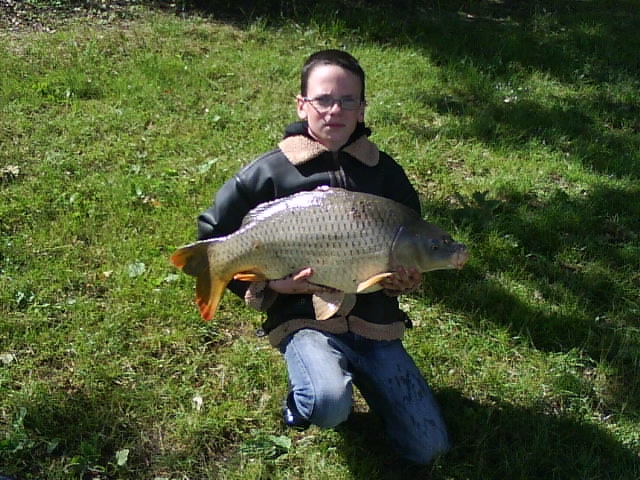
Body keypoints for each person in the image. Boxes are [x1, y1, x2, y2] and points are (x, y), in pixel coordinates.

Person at [196, 49, 449, 465]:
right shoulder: (268, 173)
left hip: (374, 322)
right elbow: (212, 233)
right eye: (324, 100)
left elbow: (413, 247)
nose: (336, 110)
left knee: (429, 448)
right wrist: (272, 285)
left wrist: (407, 279)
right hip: (303, 318)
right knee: (328, 404)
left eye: (349, 100)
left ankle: (370, 385)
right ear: (302, 104)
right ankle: (307, 402)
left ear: (363, 106)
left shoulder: (387, 175)